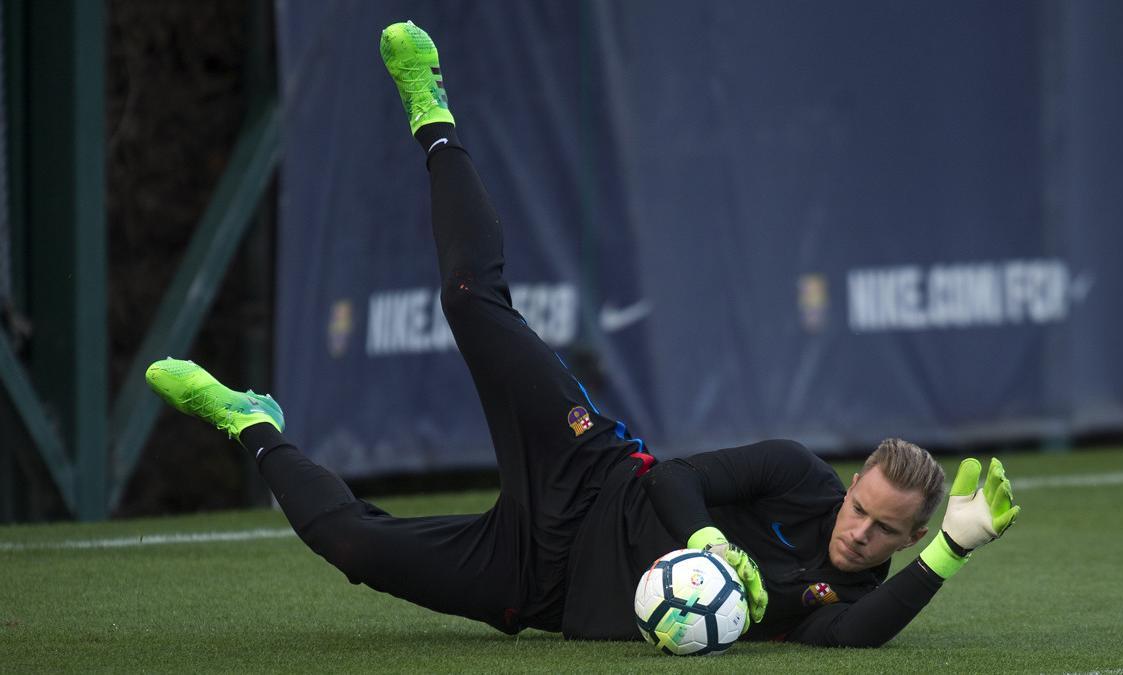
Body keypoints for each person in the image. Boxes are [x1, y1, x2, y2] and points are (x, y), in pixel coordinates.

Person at [145, 20, 1020, 648]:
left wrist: (956, 547)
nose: (858, 529)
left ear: (906, 541)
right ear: (855, 478)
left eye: (881, 531)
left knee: (356, 548)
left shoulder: (853, 596)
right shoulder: (797, 474)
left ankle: (251, 423)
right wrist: (709, 542)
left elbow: (862, 635)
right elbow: (679, 478)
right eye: (861, 505)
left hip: (541, 584)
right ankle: (433, 118)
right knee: (470, 304)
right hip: (591, 474)